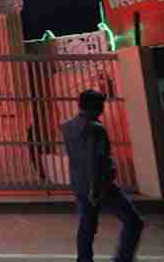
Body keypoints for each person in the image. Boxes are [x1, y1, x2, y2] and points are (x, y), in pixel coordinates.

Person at [61, 89, 143, 262]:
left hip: (79, 184)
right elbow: (97, 160)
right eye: (100, 105)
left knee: (87, 227)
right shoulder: (97, 129)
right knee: (133, 221)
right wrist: (96, 188)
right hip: (100, 185)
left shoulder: (67, 127)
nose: (102, 109)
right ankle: (123, 258)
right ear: (94, 106)